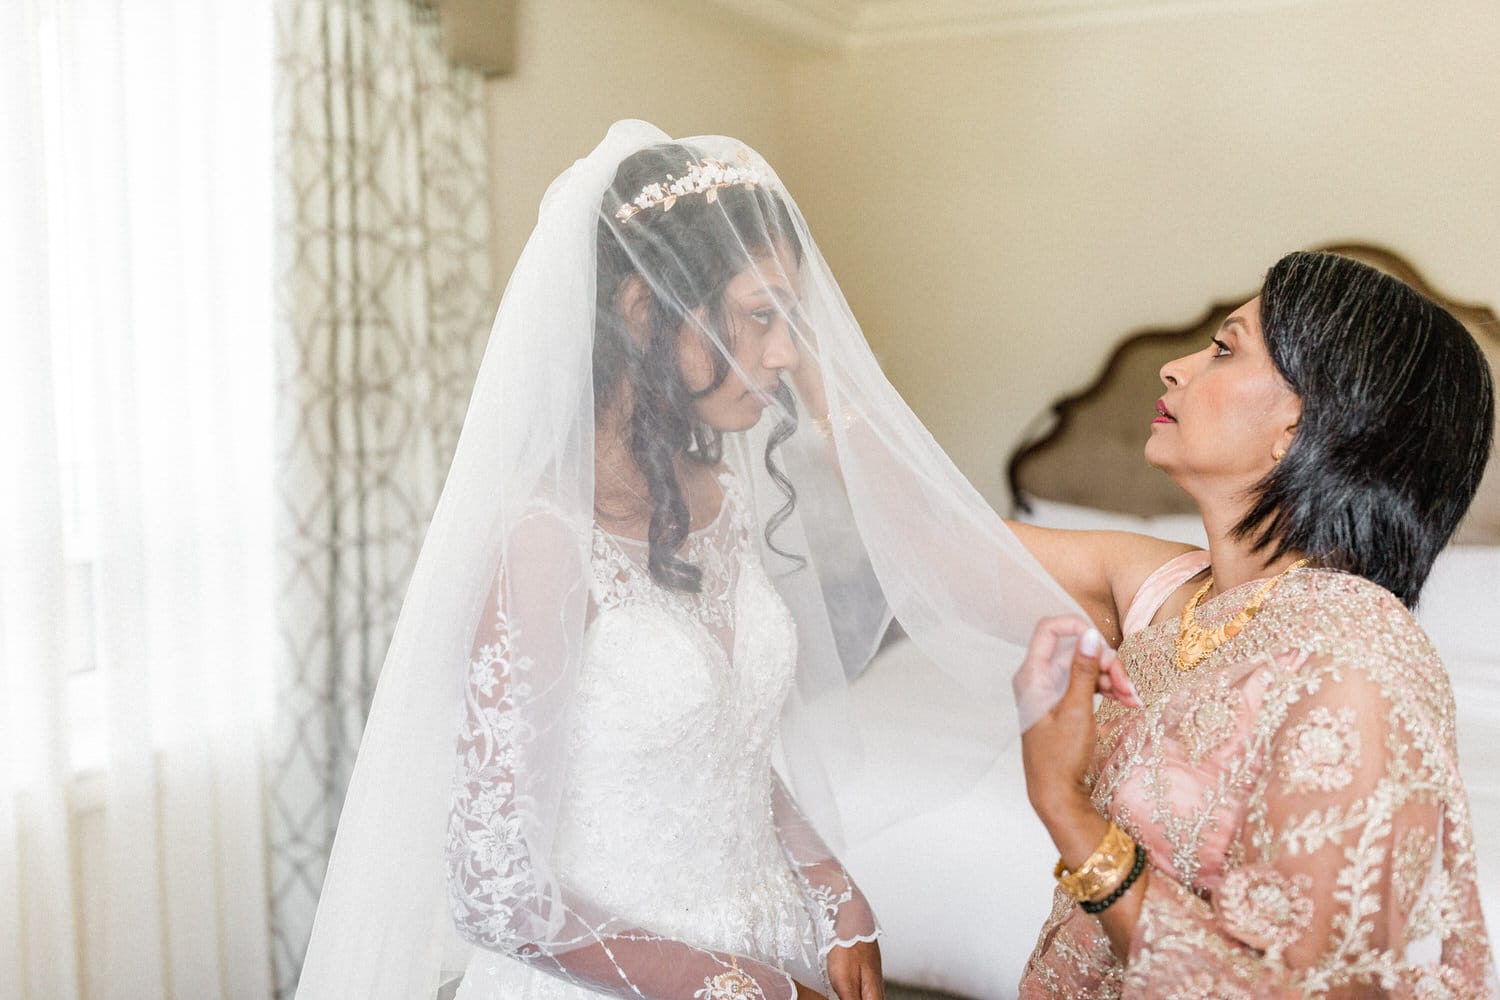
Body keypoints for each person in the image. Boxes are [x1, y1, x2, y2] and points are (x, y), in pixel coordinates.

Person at [292, 121, 1080, 1000]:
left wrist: (828, 883)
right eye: (758, 316)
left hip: (768, 943)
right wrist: (731, 987)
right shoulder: (545, 537)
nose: (786, 353)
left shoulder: (720, 492)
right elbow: (495, 893)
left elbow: (724, 748)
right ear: (642, 311)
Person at [1009, 250, 1497, 996]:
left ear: (1301, 423)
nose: (1174, 369)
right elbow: (927, 534)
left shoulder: (1354, 668)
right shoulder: (1181, 591)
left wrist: (1066, 809)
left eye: (1224, 349)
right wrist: (811, 390)